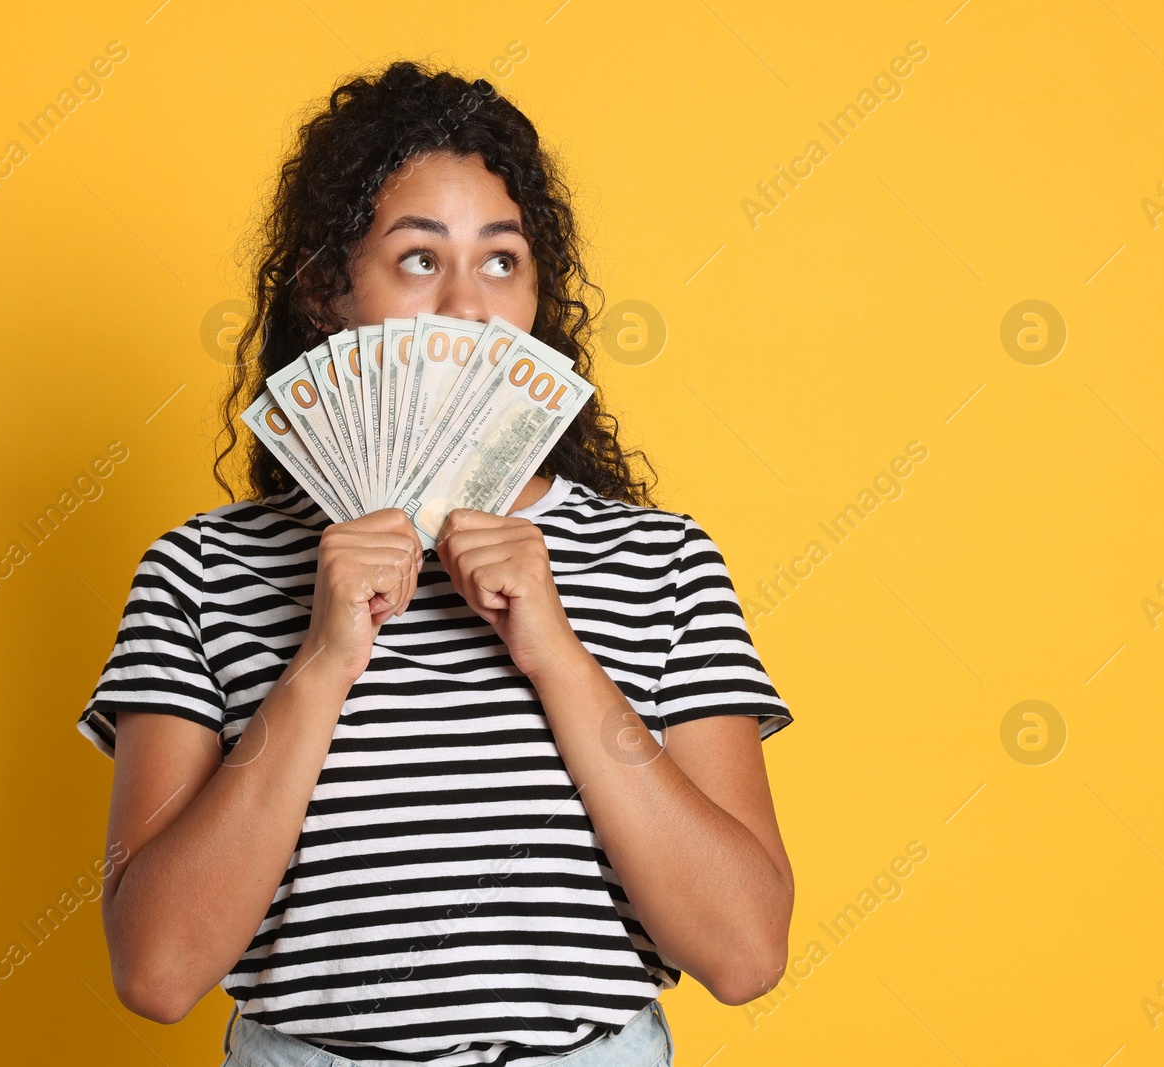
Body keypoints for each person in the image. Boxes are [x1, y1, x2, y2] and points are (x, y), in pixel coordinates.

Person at [77, 60, 795, 1067]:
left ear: (540, 296)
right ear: (329, 291)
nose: (468, 305)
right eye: (418, 260)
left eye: (503, 262)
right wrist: (322, 659)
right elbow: (157, 970)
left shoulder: (661, 561)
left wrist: (554, 648)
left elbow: (745, 949)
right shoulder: (201, 573)